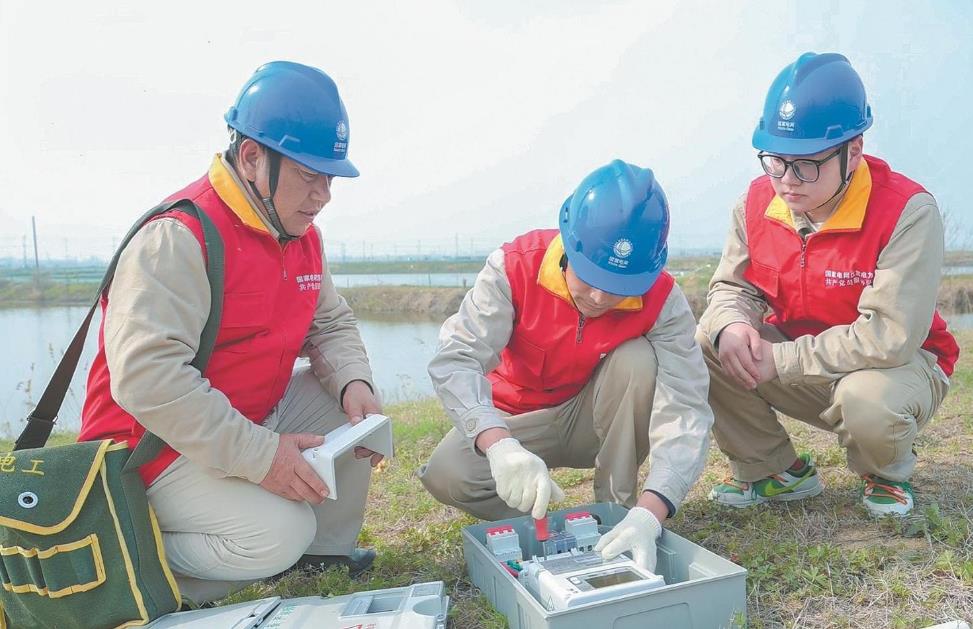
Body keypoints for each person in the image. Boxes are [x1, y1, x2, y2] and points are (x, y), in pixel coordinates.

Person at [78, 61, 383, 603]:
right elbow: (148, 379)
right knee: (279, 532)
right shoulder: (179, 236)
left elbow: (330, 323)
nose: (324, 195)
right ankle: (115, 556)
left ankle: (320, 561)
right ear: (251, 158)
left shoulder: (300, 232)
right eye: (310, 175)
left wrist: (354, 382)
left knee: (345, 405)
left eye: (330, 178)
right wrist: (263, 456)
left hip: (241, 419)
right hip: (151, 450)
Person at [418, 160, 714, 571]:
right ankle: (551, 526)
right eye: (589, 275)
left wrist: (654, 510)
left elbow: (687, 409)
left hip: (590, 418)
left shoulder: (663, 299)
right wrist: (498, 444)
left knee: (636, 360)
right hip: (515, 423)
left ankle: (618, 515)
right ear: (568, 242)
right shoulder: (514, 267)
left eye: (616, 287)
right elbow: (457, 359)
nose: (597, 297)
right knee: (446, 472)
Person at [699, 52, 959, 518]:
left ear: (853, 151)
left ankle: (885, 474)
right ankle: (774, 472)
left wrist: (779, 359)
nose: (786, 181)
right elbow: (732, 288)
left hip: (896, 368)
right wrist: (732, 325)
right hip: (804, 361)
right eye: (775, 161)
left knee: (866, 399)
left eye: (806, 165)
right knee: (711, 339)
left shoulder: (908, 211)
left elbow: (890, 336)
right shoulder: (755, 203)